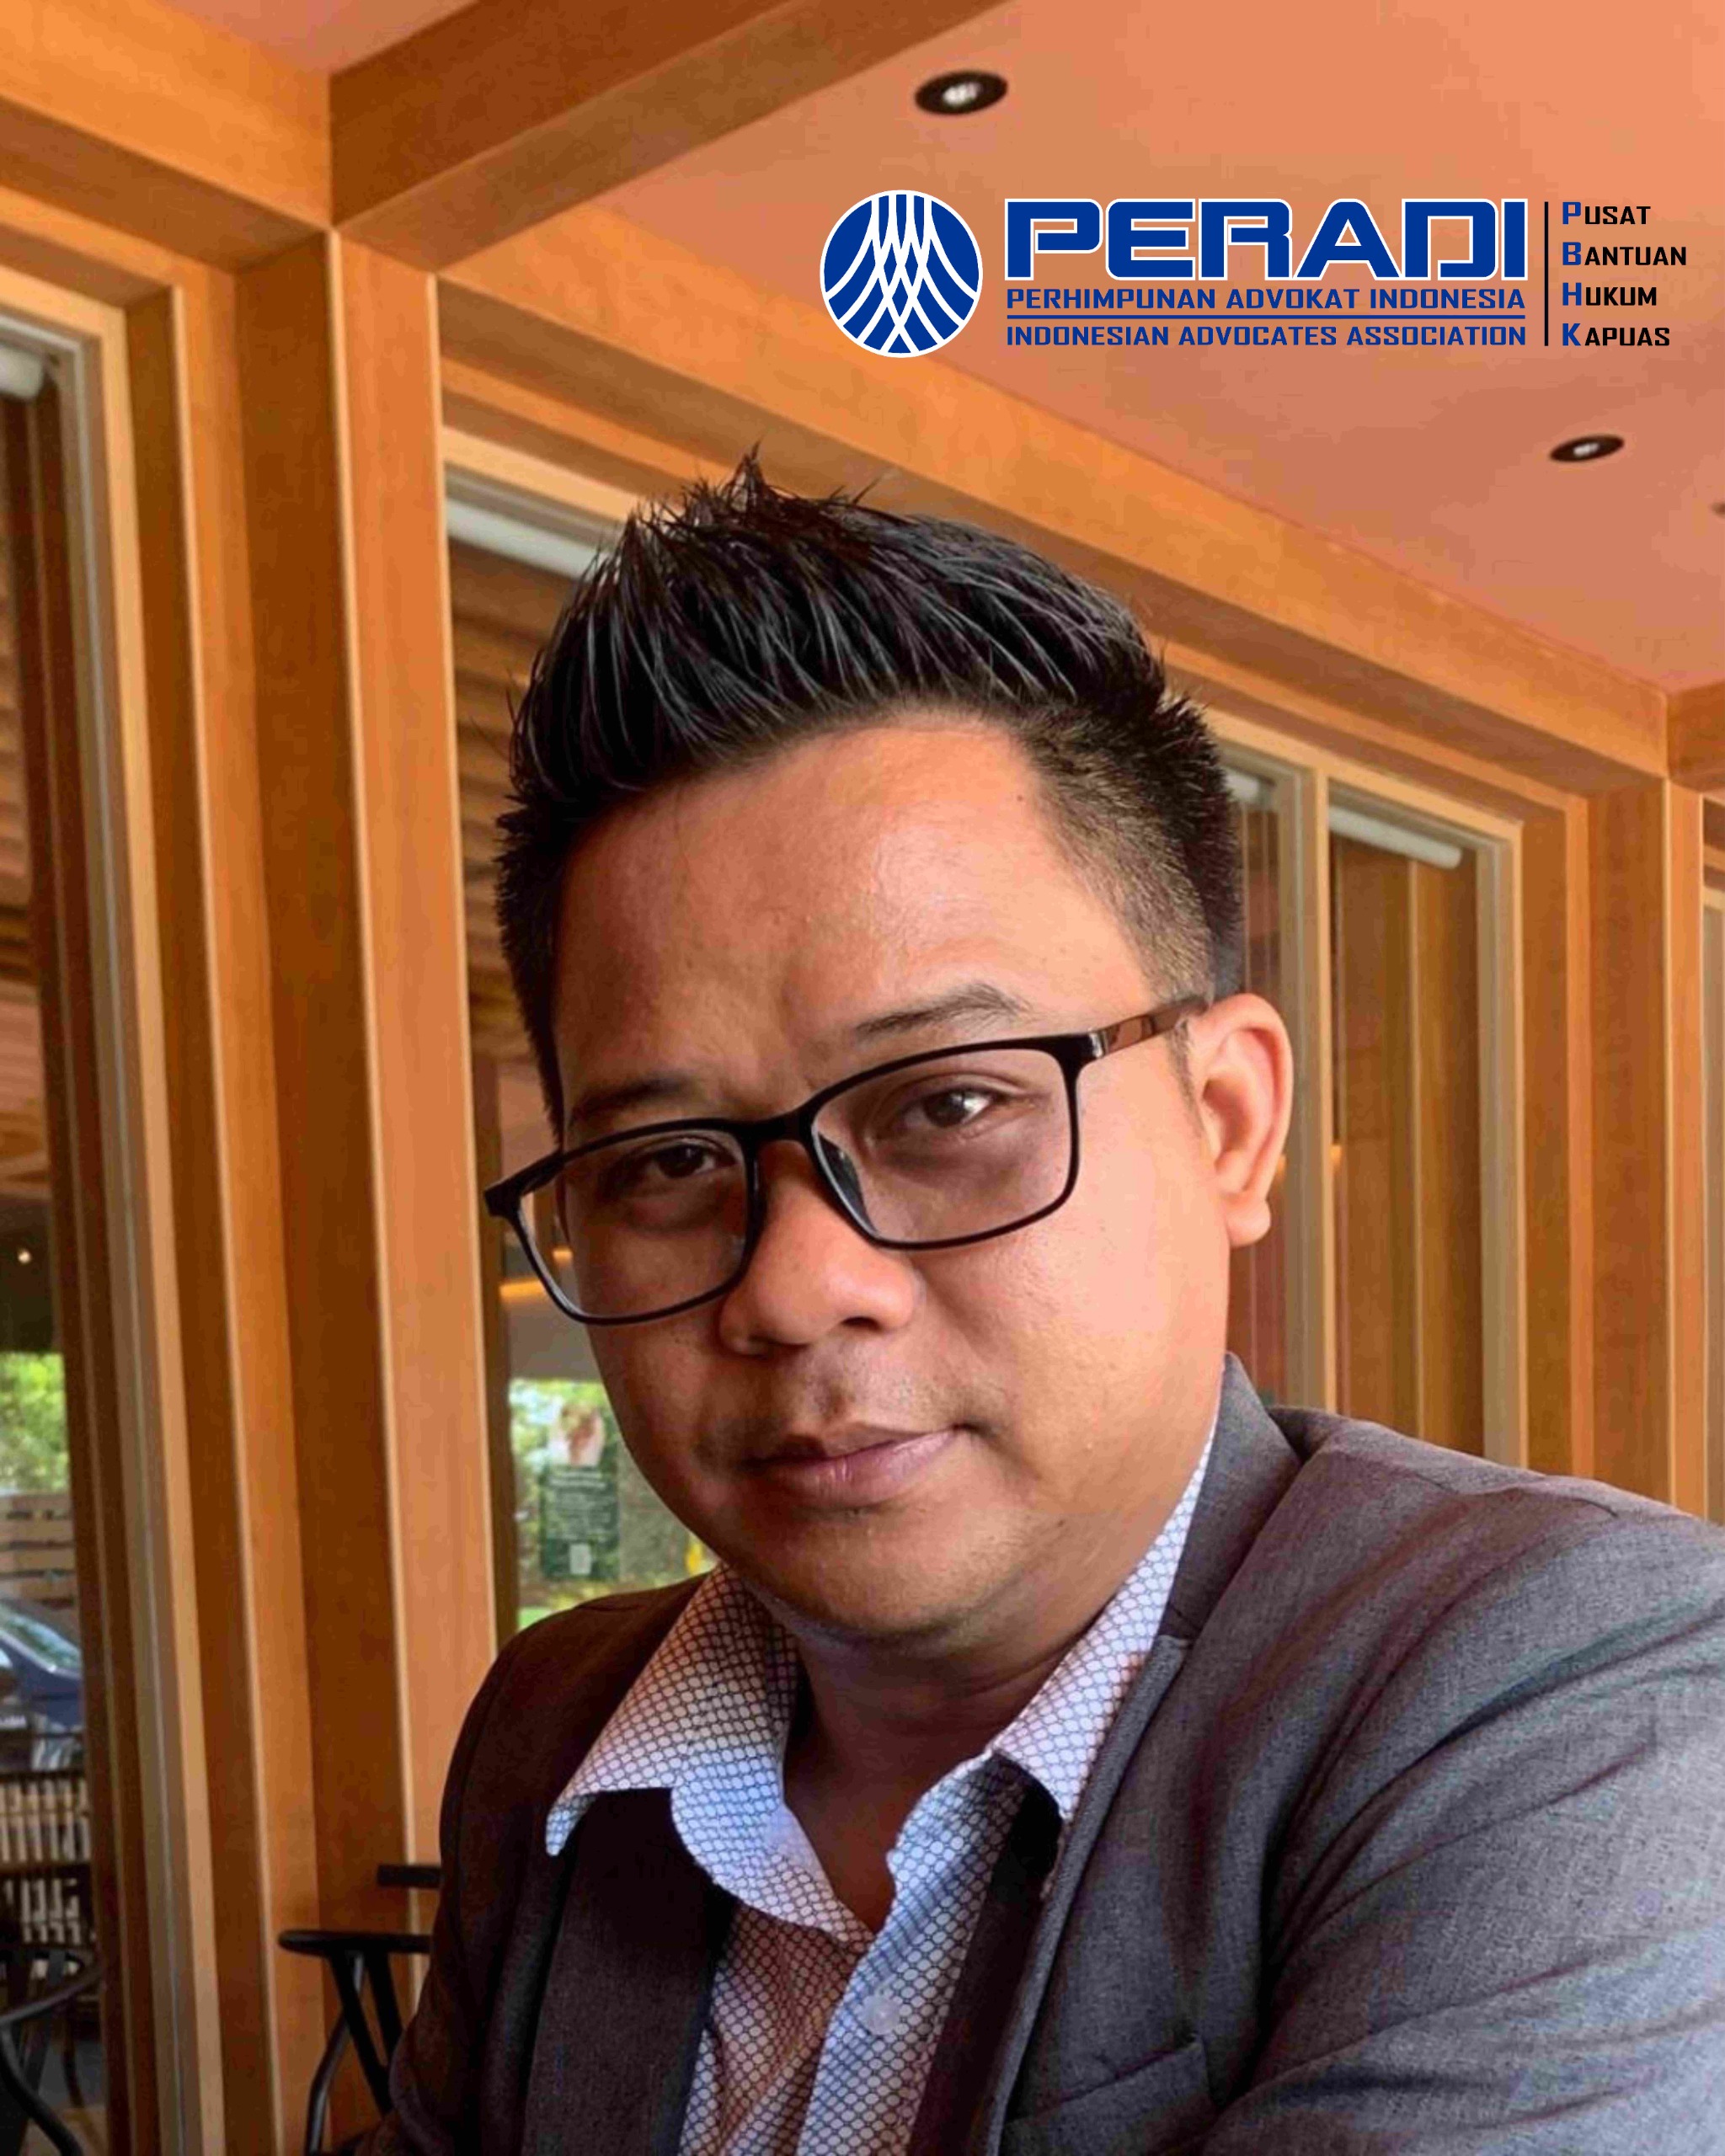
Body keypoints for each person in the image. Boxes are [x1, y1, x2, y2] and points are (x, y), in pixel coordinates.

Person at [365, 456, 1725, 2153]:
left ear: (1227, 1122)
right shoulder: (556, 1727)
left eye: (947, 1104)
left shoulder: (1567, 1685)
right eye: (668, 1160)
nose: (795, 1286)